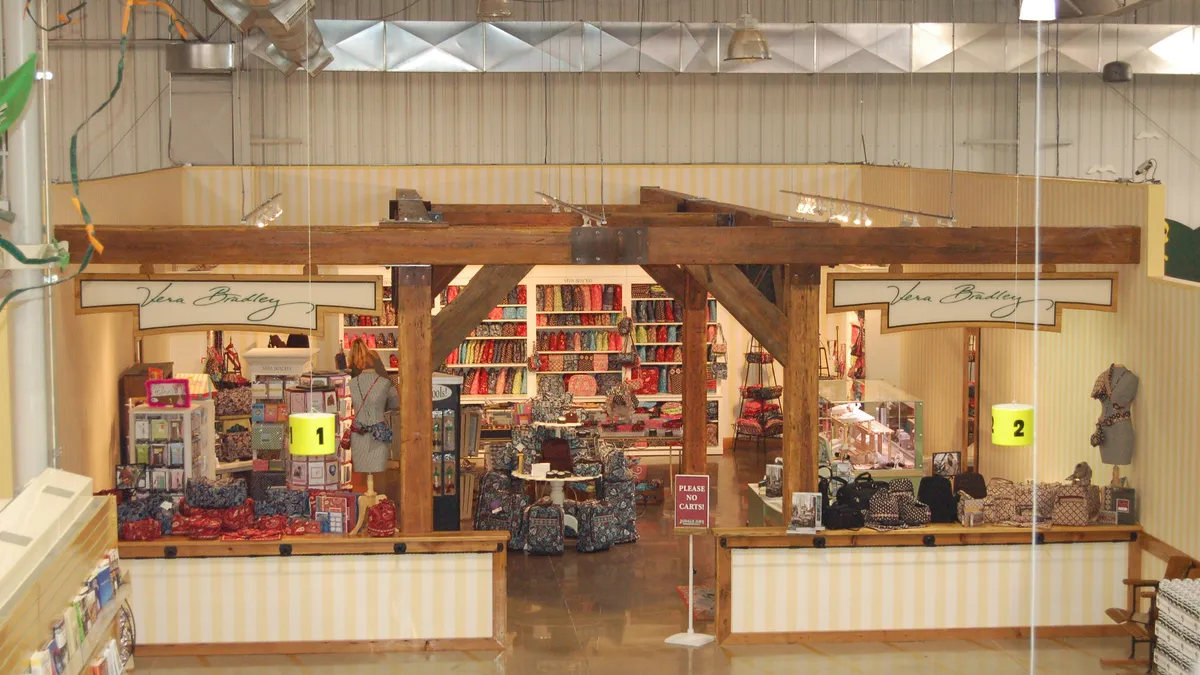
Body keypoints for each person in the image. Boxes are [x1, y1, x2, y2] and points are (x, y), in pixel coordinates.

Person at [346, 339, 399, 474]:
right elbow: (395, 403)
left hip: (359, 431)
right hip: (379, 430)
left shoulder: (351, 381)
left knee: (363, 471)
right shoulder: (384, 380)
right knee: (378, 471)